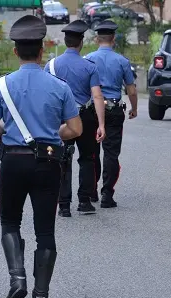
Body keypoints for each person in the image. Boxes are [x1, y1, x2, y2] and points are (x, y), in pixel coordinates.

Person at [0, 15, 83, 298]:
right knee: (46, 231)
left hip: (12, 161)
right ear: (42, 51)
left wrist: (10, 135)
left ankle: (17, 278)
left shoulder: (1, 86)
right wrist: (53, 135)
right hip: (47, 164)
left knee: (10, 223)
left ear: (16, 52)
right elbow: (75, 129)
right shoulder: (59, 87)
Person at [44, 19, 106, 217]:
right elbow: (97, 96)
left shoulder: (51, 65)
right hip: (85, 117)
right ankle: (84, 202)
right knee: (87, 158)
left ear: (65, 42)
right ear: (81, 43)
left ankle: (63, 205)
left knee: (62, 159)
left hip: (61, 118)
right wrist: (101, 124)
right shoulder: (90, 67)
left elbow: (46, 95)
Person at [85, 20, 138, 208]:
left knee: (91, 152)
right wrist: (134, 109)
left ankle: (91, 191)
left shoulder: (88, 59)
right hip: (114, 110)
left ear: (97, 39)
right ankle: (107, 194)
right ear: (113, 39)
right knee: (111, 154)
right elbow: (131, 90)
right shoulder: (122, 61)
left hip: (91, 109)